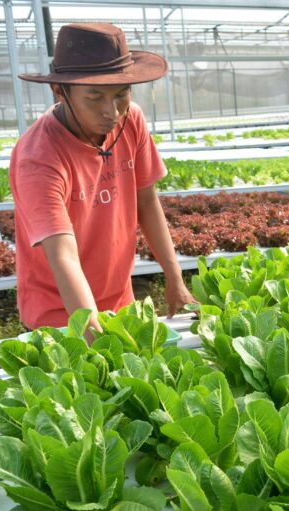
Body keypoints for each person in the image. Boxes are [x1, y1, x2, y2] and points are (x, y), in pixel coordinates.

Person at [11, 23, 195, 332]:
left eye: (121, 94)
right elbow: (63, 257)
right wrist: (93, 334)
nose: (112, 112)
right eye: (94, 98)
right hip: (60, 316)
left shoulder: (131, 119)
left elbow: (147, 203)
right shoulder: (38, 158)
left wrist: (175, 278)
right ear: (59, 91)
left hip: (119, 303)